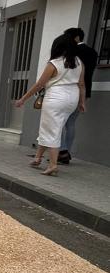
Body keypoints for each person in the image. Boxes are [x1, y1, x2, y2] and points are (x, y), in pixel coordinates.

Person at [15, 34, 84, 176]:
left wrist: (23, 99)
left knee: (52, 131)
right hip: (72, 98)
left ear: (57, 47)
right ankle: (38, 158)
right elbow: (81, 84)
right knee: (51, 128)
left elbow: (40, 84)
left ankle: (53, 165)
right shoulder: (79, 62)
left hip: (56, 98)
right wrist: (82, 102)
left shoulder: (54, 63)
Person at [58, 27, 97, 164]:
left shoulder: (72, 52)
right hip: (85, 91)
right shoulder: (93, 52)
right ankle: (66, 152)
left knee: (59, 121)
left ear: (76, 38)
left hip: (70, 90)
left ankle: (62, 151)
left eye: (68, 37)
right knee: (71, 123)